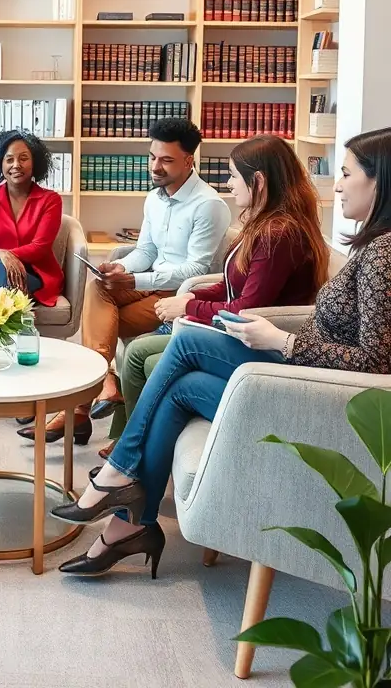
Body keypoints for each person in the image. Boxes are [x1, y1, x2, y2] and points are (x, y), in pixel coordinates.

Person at [51, 127, 391, 578]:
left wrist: (282, 340)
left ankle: (118, 473)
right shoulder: (370, 247)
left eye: (347, 173)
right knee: (180, 388)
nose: (338, 183)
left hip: (314, 395)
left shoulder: (382, 254)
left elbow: (375, 363)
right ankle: (129, 526)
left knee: (187, 341)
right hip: (303, 375)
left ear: (379, 180)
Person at [101, 135, 330, 461]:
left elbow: (246, 306)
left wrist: (189, 305)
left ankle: (132, 452)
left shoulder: (276, 234)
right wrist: (193, 296)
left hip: (248, 335)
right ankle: (130, 447)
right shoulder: (264, 224)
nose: (228, 182)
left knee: (144, 357)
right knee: (131, 339)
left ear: (259, 181)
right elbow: (232, 284)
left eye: (234, 175)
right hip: (231, 324)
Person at [36, 118, 231, 448]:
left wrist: (134, 279)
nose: (156, 166)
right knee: (97, 284)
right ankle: (105, 383)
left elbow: (195, 270)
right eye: (152, 156)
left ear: (189, 161)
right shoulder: (155, 197)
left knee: (99, 323)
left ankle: (81, 409)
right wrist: (118, 268)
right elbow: (147, 250)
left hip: (179, 295)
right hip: (152, 282)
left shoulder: (208, 205)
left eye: (166, 160)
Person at [0, 129, 63, 303]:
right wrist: (3, 256)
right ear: (0, 164)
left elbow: (40, 247)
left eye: (24, 158)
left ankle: (1, 327)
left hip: (33, 272)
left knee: (9, 281)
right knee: (4, 275)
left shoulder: (51, 200)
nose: (16, 165)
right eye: (9, 159)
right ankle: (19, 327)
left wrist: (9, 256)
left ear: (35, 162)